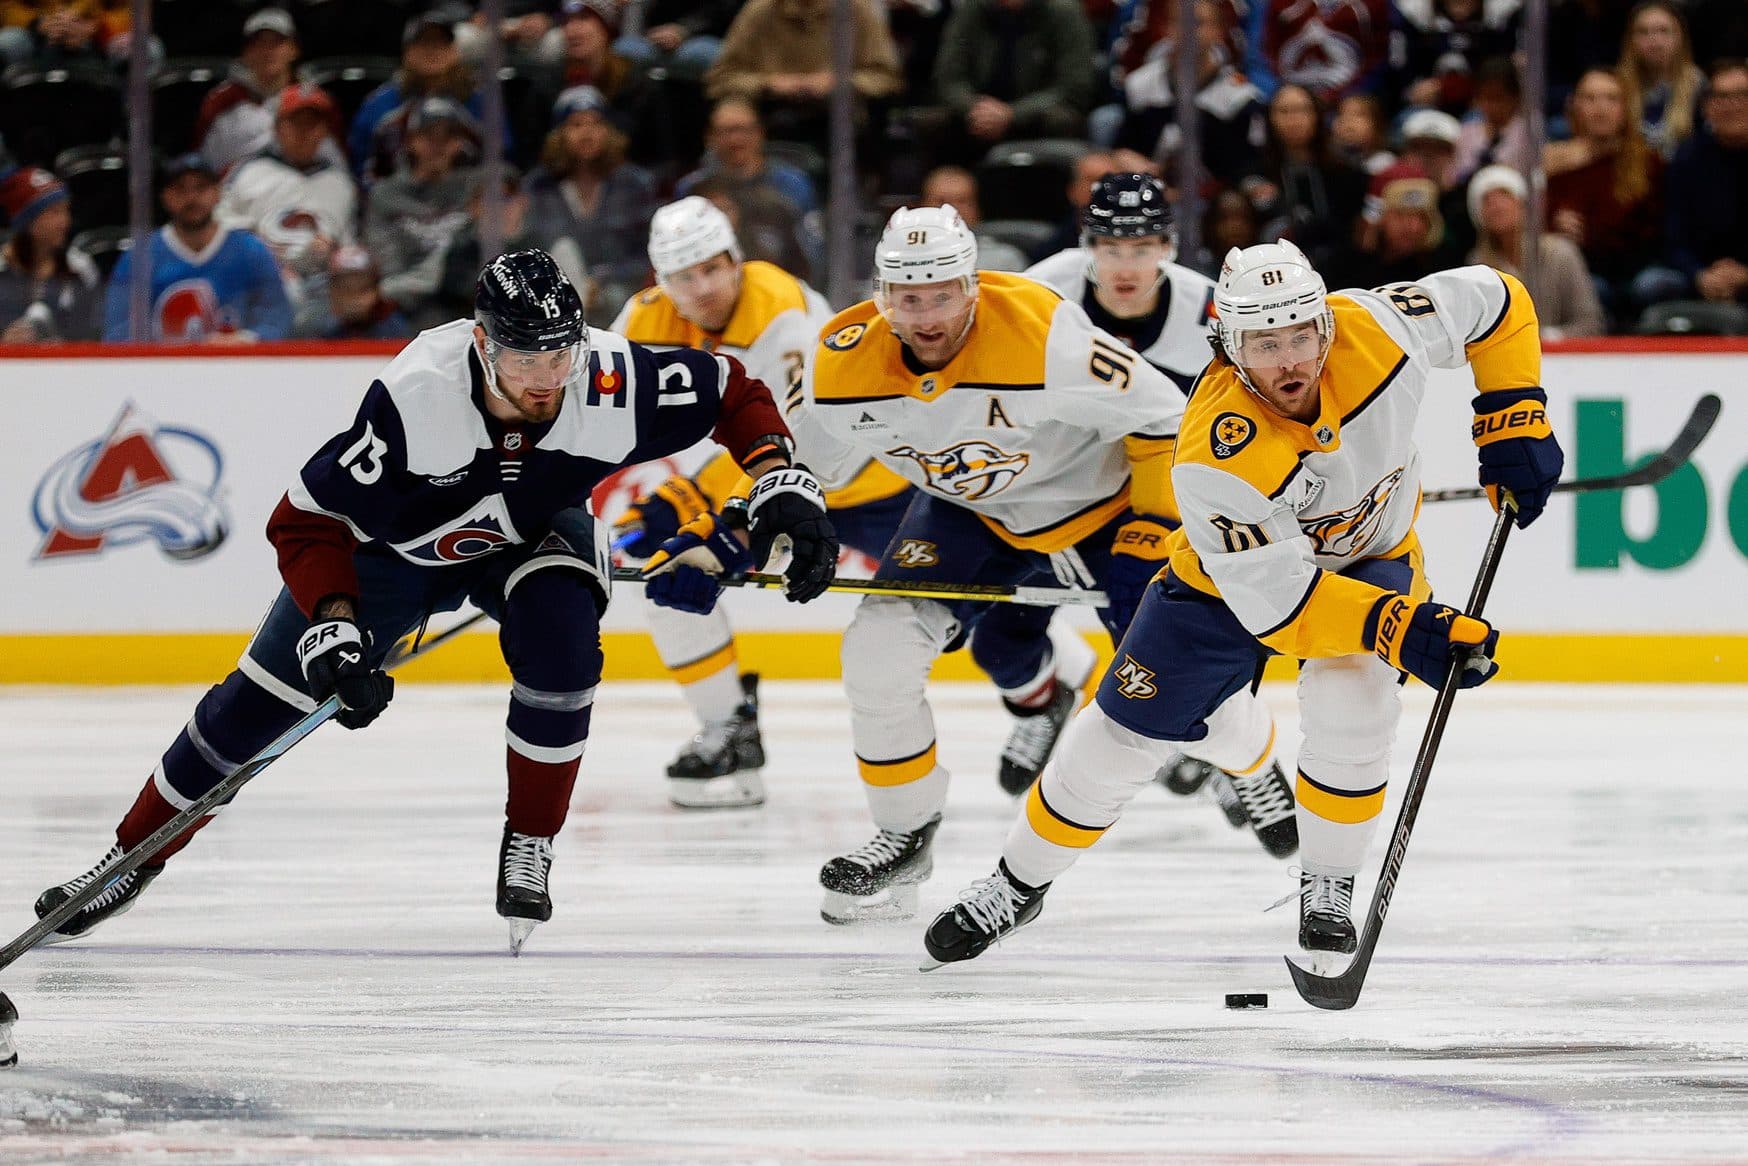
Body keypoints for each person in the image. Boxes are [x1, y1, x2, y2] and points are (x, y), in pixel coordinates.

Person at [34, 248, 839, 955]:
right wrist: (337, 630)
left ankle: (531, 839)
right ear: (483, 344)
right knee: (248, 715)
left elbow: (734, 389)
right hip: (391, 560)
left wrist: (778, 477)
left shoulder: (610, 378)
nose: (547, 378)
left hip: (531, 534)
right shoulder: (418, 397)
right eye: (525, 358)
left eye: (560, 354)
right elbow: (305, 522)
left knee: (563, 644)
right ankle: (127, 860)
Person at [919, 240, 1564, 970]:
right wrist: (1407, 628)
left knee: (1354, 701)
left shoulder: (1379, 327)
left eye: (1299, 336)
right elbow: (1285, 606)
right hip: (1227, 586)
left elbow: (1497, 299)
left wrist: (1512, 410)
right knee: (1118, 736)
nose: (1289, 361)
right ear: (1227, 346)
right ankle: (1016, 884)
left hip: (1369, 557)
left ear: (1325, 324)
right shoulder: (1210, 452)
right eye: (1264, 343)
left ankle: (1327, 881)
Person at [779, 205, 1191, 924]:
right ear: (882, 297)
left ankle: (1249, 771)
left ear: (972, 286)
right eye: (909, 298)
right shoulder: (842, 358)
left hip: (1096, 506)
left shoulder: (1043, 332)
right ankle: (905, 832)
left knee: (1170, 653)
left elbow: (1164, 415)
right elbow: (793, 472)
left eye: (941, 294)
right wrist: (737, 528)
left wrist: (1155, 526)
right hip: (973, 515)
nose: (927, 314)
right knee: (876, 648)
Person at [1022, 172, 1297, 854]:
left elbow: (1253, 406)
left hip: (1171, 495)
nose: (1126, 265)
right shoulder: (1041, 295)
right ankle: (1039, 699)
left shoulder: (1210, 309)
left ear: (1169, 248)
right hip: (1071, 489)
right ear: (1087, 246)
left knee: (1190, 627)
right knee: (1003, 631)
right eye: (1111, 248)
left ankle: (1240, 755)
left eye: (1142, 247)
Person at [608, 196, 874, 807]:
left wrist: (696, 498)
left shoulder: (784, 314)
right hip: (769, 485)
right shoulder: (644, 322)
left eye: (711, 267)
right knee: (666, 568)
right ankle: (728, 728)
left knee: (985, 605)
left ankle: (1074, 698)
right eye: (682, 276)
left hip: (868, 478)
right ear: (660, 281)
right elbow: (595, 423)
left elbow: (796, 445)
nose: (700, 288)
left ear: (736, 260)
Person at [102, 154, 291, 343]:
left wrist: (245, 340)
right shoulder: (139, 257)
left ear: (218, 193)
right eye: (180, 189)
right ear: (165, 197)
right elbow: (118, 331)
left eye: (201, 187)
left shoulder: (251, 250)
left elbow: (276, 316)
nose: (192, 197)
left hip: (236, 367)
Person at [217, 82, 358, 310]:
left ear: (325, 131)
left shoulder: (340, 183)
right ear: (277, 128)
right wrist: (258, 248)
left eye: (312, 124)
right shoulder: (246, 173)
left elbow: (350, 248)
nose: (304, 132)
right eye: (295, 123)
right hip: (257, 285)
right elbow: (218, 228)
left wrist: (334, 252)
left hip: (324, 293)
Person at [1544, 67, 1670, 319]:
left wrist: (1590, 234)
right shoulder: (1552, 163)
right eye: (1590, 99)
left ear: (1626, 109)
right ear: (1575, 107)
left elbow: (1656, 234)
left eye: (1611, 98)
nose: (1600, 108)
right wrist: (1553, 223)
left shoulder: (1648, 163)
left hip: (1635, 269)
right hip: (1578, 270)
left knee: (1648, 285)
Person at [524, 85, 658, 308]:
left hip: (620, 294)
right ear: (559, 134)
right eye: (576, 124)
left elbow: (649, 253)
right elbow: (527, 248)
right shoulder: (538, 187)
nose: (587, 133)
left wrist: (602, 278)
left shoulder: (635, 185)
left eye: (595, 123)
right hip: (552, 299)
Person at [364, 96, 481, 326]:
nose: (439, 146)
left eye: (448, 137)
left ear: (459, 143)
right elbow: (386, 268)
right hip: (402, 308)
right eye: (429, 136)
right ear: (411, 141)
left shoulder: (476, 191)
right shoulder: (387, 195)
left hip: (463, 307)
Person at [1468, 164, 1606, 340]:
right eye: (1487, 199)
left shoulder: (1561, 254)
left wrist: (1548, 337)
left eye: (1504, 194)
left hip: (1564, 358)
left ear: (1523, 204)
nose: (1496, 205)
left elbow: (1591, 323)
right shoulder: (1478, 266)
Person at [1660, 59, 1748, 306]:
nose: (1732, 105)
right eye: (1722, 97)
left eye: (1741, 96)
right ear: (1707, 107)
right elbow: (1673, 238)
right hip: (1697, 275)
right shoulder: (1686, 160)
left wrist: (1743, 274)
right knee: (1653, 284)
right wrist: (1700, 275)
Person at [194, 6, 303, 176]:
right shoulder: (220, 101)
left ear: (294, 50)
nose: (268, 51)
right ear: (245, 52)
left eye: (277, 42)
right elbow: (204, 167)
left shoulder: (312, 101)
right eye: (259, 43)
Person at [0, 166, 101, 342]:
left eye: (66, 210)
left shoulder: (80, 269)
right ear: (27, 221)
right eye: (54, 212)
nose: (65, 221)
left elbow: (96, 336)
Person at [1618, 0, 1704, 160]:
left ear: (1680, 37)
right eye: (1643, 32)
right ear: (1631, 40)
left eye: (1664, 31)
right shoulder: (1616, 86)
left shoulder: (1699, 85)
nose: (1654, 41)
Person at [304, 244, 412, 340]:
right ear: (332, 292)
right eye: (346, 290)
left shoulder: (395, 330)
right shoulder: (313, 329)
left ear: (377, 292)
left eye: (363, 289)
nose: (355, 298)